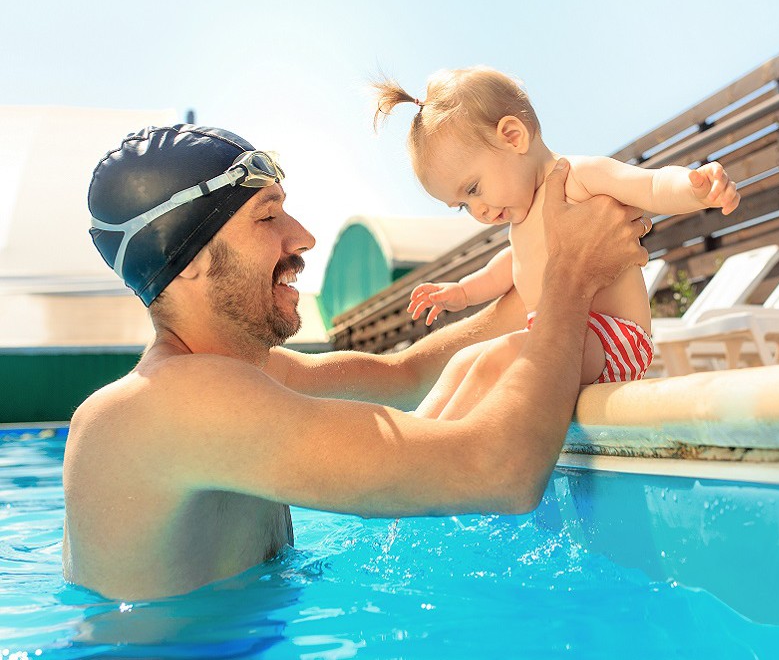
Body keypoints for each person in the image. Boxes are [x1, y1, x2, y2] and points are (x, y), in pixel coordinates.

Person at [63, 123, 649, 600]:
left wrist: (551, 248)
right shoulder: (164, 407)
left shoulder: (252, 373)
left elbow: (408, 375)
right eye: (268, 218)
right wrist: (572, 280)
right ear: (186, 259)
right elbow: (499, 472)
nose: (304, 237)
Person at [373, 66, 739, 419]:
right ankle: (419, 436)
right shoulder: (519, 220)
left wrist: (697, 188)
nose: (478, 211)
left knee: (502, 356)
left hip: (611, 340)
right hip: (554, 338)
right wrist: (463, 292)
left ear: (513, 136)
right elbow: (507, 267)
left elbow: (650, 185)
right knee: (463, 363)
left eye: (473, 189)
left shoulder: (576, 177)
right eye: (462, 206)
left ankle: (442, 454)